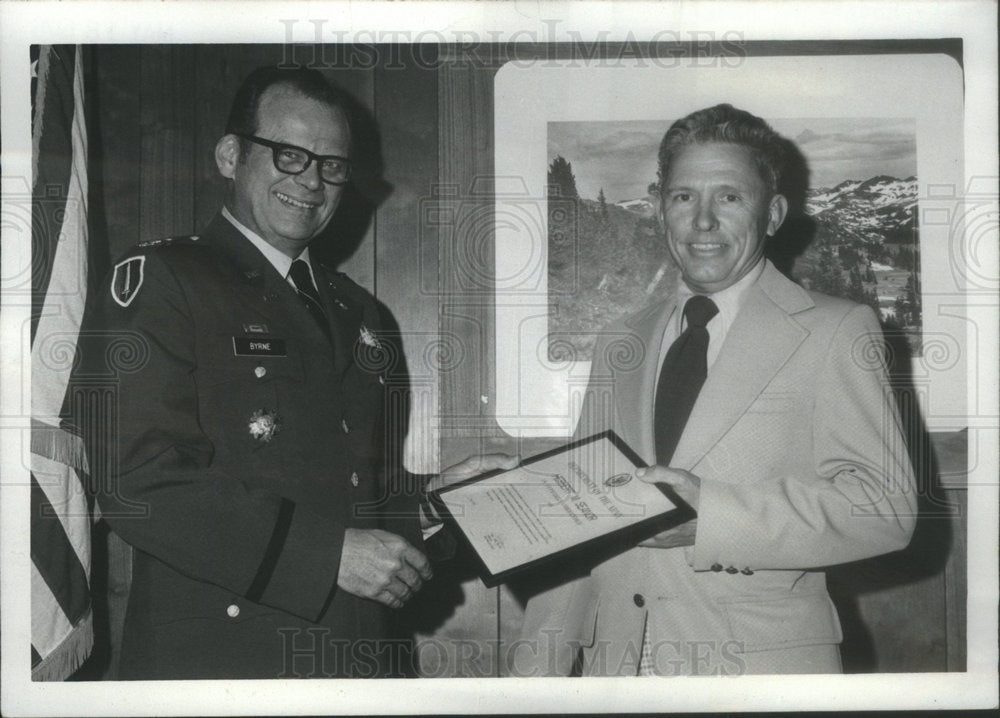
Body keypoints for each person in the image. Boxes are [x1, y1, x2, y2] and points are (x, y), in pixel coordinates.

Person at [66, 66, 507, 680]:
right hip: (228, 662)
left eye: (332, 165)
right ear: (231, 156)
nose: (312, 181)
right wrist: (327, 557)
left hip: (361, 658)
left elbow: (354, 489)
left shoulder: (360, 311)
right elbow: (139, 481)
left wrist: (435, 501)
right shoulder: (166, 281)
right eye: (290, 155)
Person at [516, 104, 917, 676]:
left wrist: (713, 519)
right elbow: (581, 526)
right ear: (661, 210)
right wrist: (535, 678)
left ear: (773, 213)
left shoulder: (836, 329)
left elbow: (884, 509)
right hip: (618, 675)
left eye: (729, 197)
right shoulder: (619, 340)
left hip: (758, 677)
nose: (702, 221)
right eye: (683, 197)